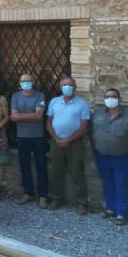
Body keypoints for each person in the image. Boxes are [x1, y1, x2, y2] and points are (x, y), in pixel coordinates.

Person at [91, 88, 128, 225]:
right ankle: (110, 208)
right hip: (102, 156)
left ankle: (121, 213)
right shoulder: (98, 113)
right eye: (107, 97)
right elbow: (91, 131)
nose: (110, 99)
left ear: (119, 98)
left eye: (113, 96)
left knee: (121, 185)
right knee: (107, 183)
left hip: (122, 158)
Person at [46, 75, 90, 215]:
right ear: (60, 87)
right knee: (56, 172)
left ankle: (81, 202)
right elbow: (48, 122)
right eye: (64, 85)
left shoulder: (82, 103)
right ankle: (56, 198)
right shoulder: (54, 102)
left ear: (75, 87)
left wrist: (68, 140)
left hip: (75, 143)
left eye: (70, 85)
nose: (67, 87)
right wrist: (56, 139)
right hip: (56, 142)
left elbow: (84, 127)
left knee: (77, 172)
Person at [10, 73, 48, 208]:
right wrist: (31, 115)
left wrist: (20, 116)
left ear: (33, 82)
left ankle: (43, 195)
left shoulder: (40, 96)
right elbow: (13, 117)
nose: (25, 83)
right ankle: (28, 192)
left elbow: (39, 116)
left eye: (28, 81)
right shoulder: (15, 96)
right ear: (19, 83)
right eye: (23, 81)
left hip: (38, 136)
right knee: (24, 166)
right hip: (22, 136)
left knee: (41, 166)